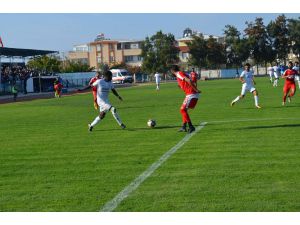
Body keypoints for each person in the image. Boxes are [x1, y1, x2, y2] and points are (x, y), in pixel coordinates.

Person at [170, 65, 201, 133]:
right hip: (191, 94)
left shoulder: (179, 73)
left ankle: (191, 126)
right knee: (184, 110)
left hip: (191, 94)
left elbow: (188, 80)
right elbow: (192, 80)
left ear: (172, 71)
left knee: (182, 110)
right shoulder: (182, 74)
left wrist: (196, 89)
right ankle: (184, 127)